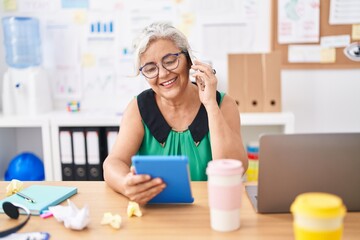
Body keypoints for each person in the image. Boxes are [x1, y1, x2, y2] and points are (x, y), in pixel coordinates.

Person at [103, 22, 248, 205]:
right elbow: (113, 163)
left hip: (213, 209)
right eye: (150, 68)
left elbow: (238, 168)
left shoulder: (223, 104)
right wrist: (125, 184)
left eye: (170, 60)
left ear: (188, 59)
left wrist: (210, 105)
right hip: (157, 212)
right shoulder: (138, 108)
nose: (163, 74)